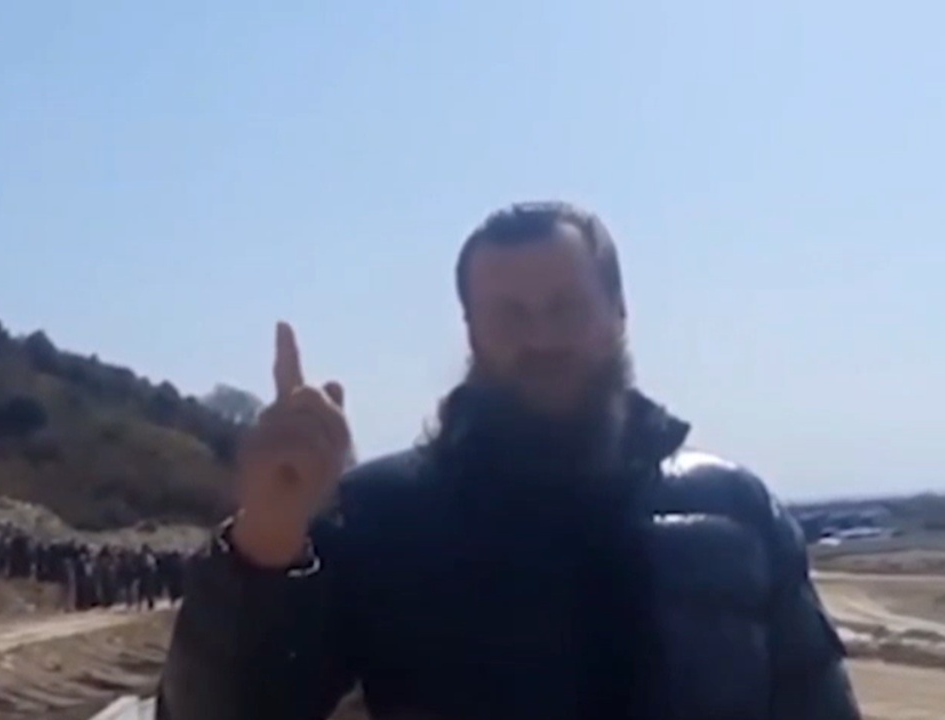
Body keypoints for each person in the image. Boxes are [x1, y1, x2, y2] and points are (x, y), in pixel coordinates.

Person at [156, 202, 861, 720]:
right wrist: (261, 552)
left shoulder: (737, 510)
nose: (542, 337)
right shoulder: (379, 517)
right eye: (511, 315)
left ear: (618, 313)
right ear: (472, 332)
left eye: (566, 307)